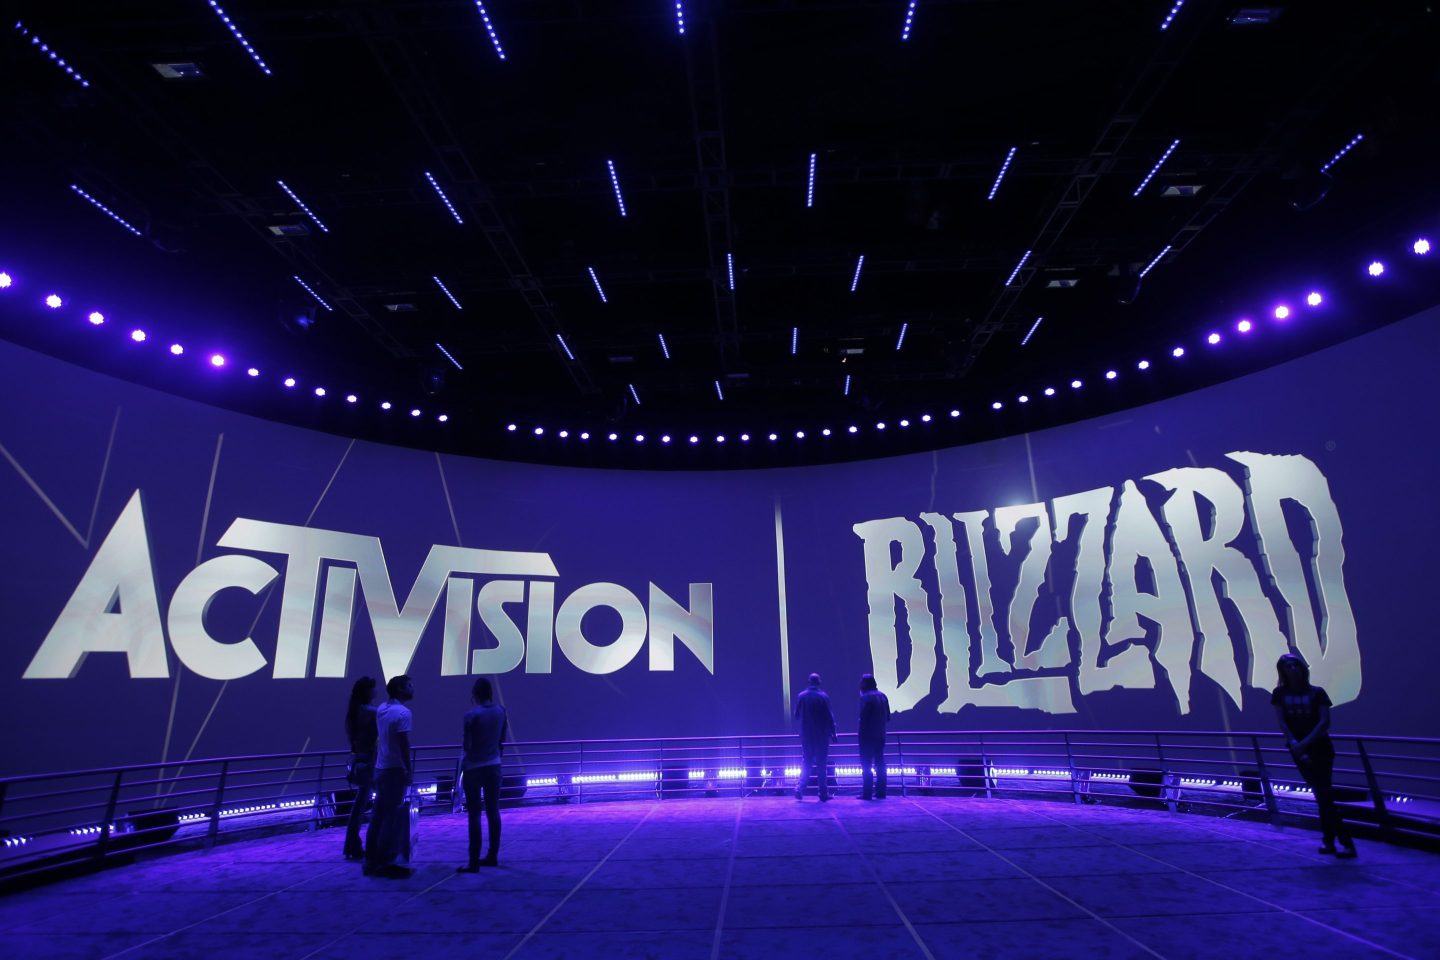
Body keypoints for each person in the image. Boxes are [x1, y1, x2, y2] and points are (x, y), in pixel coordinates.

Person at [1272, 653, 1357, 858]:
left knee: (1324, 796)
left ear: (1302, 667)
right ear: (1282, 671)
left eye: (1295, 664)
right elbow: (1282, 722)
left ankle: (1342, 842)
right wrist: (1295, 744)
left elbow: (1324, 723)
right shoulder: (1279, 693)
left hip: (1320, 749)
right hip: (1298, 750)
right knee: (1322, 796)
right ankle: (1331, 842)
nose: (1292, 669)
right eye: (1287, 666)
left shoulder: (1317, 692)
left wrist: (1302, 744)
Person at [364, 674, 416, 878]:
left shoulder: (382, 709)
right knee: (391, 817)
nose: (412, 688)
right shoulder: (403, 713)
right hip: (395, 770)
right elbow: (404, 745)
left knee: (377, 816)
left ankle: (370, 861)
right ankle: (386, 862)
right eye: (409, 685)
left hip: (381, 768)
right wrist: (409, 770)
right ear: (401, 689)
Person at [457, 677, 508, 871]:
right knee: (493, 811)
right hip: (494, 765)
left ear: (475, 694)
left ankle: (473, 861)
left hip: (473, 767)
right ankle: (492, 855)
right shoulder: (501, 711)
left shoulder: (471, 715)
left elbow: (467, 746)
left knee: (474, 815)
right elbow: (502, 739)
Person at [342, 677, 378, 860]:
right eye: (372, 688)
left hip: (358, 761)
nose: (376, 691)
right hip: (370, 762)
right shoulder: (370, 712)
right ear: (367, 692)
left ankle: (352, 843)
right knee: (368, 804)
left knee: (360, 804)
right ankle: (359, 844)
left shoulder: (353, 713)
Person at [793, 673, 837, 801]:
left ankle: (800, 789)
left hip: (806, 736)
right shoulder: (823, 697)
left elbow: (796, 715)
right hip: (821, 736)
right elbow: (830, 717)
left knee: (806, 763)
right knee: (821, 765)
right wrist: (833, 733)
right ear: (819, 682)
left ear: (809, 682)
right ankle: (823, 793)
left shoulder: (801, 696)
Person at [857, 674, 891, 801]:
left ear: (866, 684)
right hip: (880, 735)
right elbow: (888, 717)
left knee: (866, 765)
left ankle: (867, 793)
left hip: (867, 736)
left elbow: (863, 718)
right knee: (880, 764)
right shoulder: (883, 696)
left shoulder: (865, 697)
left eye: (861, 682)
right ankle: (881, 792)